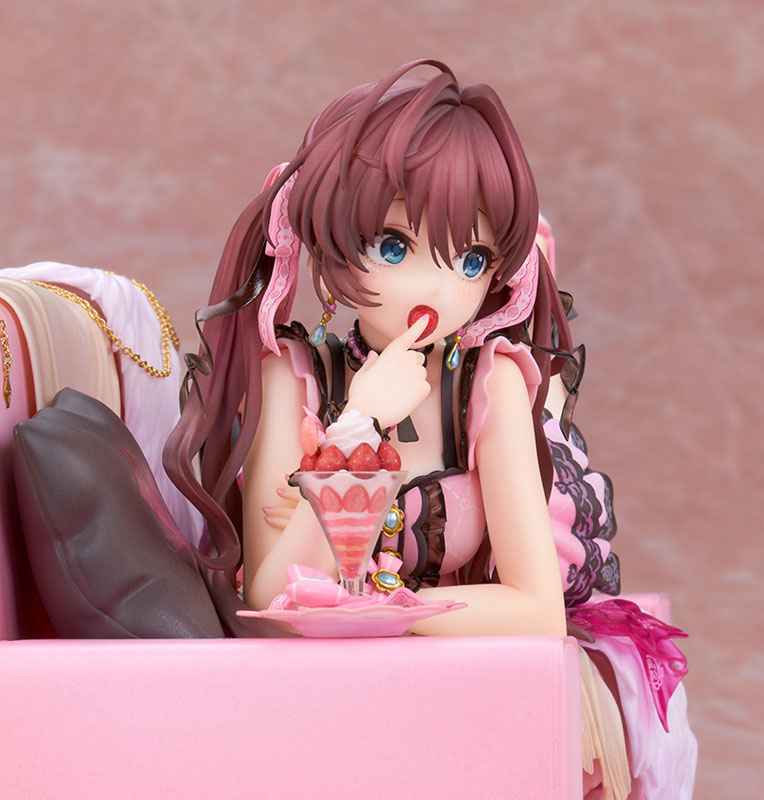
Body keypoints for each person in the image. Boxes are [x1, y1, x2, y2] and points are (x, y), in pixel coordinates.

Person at [161, 59, 695, 798]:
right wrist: (358, 423)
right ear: (330, 238)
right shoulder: (293, 377)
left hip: (463, 704)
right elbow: (276, 602)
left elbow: (536, 609)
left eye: (472, 260)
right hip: (323, 710)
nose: (436, 289)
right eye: (393, 247)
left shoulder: (488, 384)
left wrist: (370, 608)